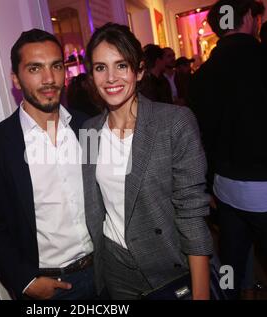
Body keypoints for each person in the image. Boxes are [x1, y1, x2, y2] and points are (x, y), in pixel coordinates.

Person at [81, 23, 213, 300]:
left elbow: (191, 212)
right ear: (91, 76)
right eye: (100, 67)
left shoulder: (174, 122)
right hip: (116, 272)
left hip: (168, 267)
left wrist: (201, 295)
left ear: (139, 70)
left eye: (121, 65)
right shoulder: (90, 132)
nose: (111, 77)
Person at [189, 0, 267, 299]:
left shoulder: (201, 76)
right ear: (250, 19)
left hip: (226, 190)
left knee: (232, 265)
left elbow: (201, 137)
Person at [0, 29, 95, 300]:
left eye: (56, 66)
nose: (49, 79)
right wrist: (25, 281)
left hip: (105, 273)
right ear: (15, 79)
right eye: (35, 68)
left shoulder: (88, 126)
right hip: (49, 288)